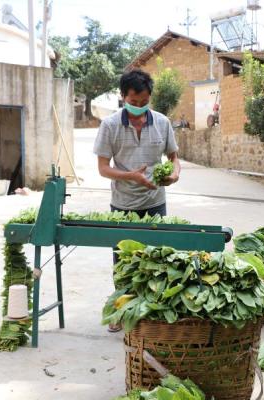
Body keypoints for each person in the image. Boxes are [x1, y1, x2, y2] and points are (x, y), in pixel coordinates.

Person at [93, 69, 181, 331]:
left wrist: (174, 174)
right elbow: (103, 168)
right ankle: (120, 311)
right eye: (134, 102)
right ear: (123, 97)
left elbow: (174, 158)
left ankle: (150, 311)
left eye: (144, 102)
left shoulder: (163, 123)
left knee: (155, 259)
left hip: (155, 202)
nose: (139, 107)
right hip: (123, 205)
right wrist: (130, 176)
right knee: (123, 262)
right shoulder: (109, 125)